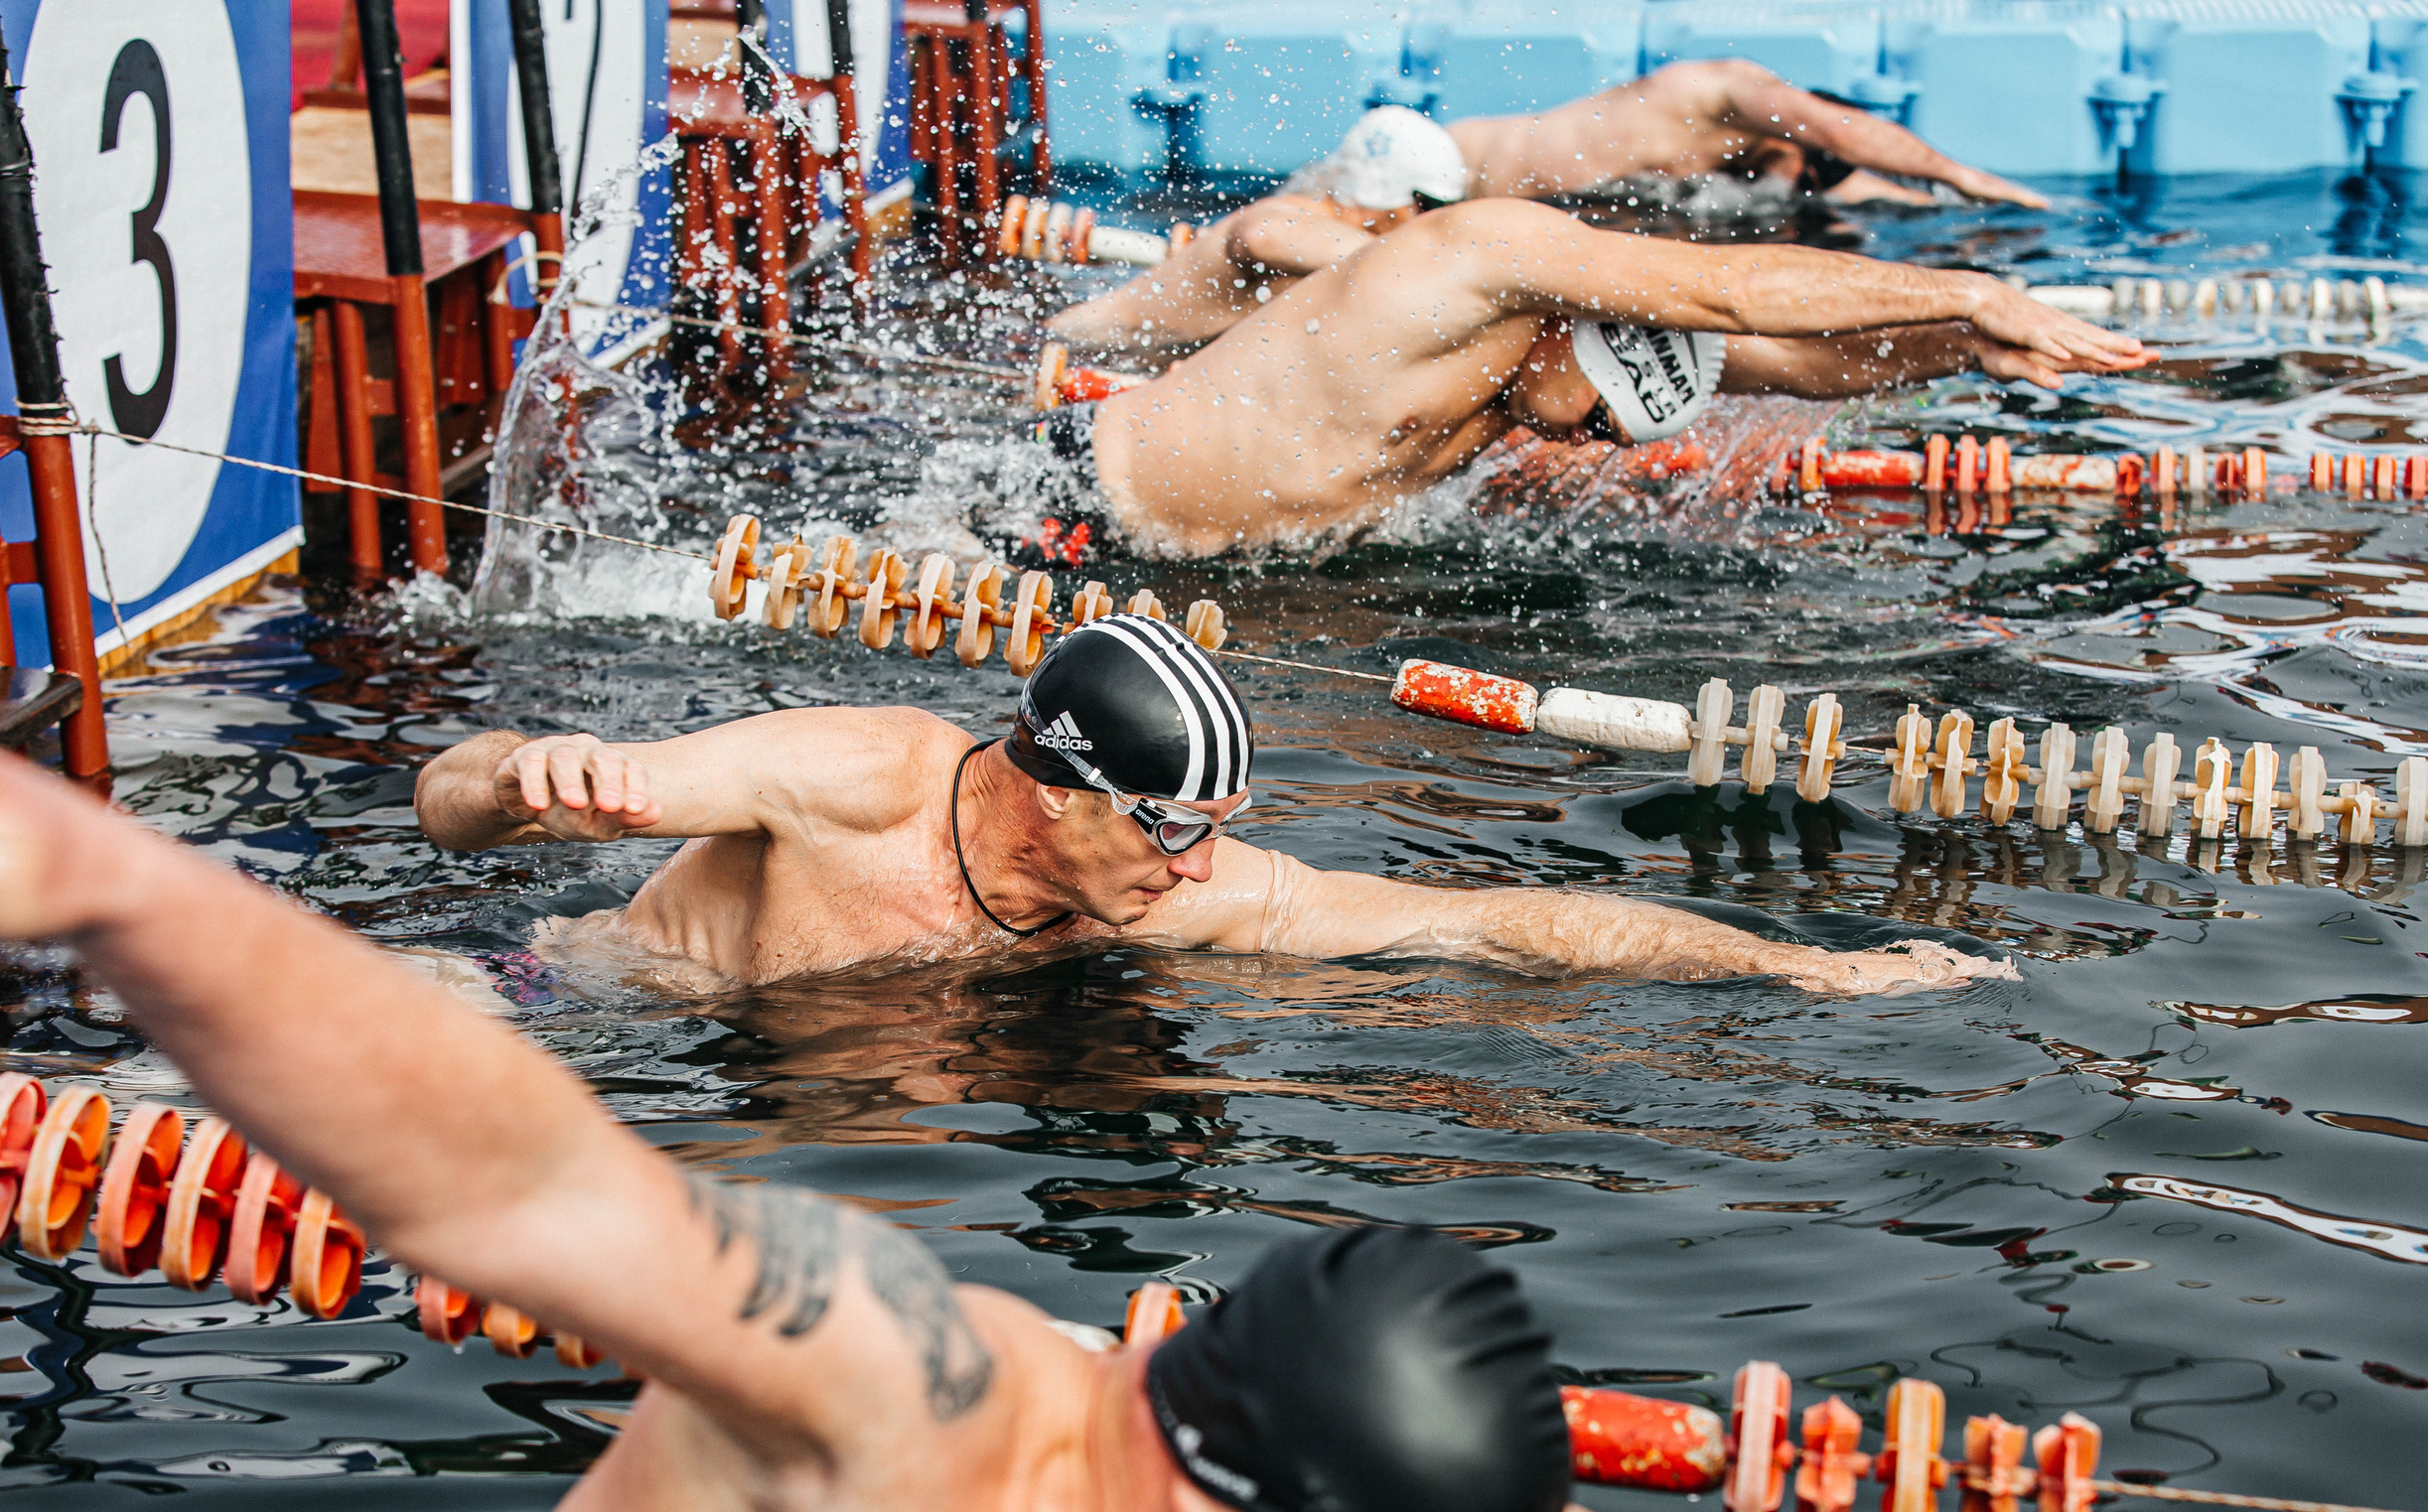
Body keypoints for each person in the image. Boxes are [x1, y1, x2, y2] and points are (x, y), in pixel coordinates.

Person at [0, 704, 2393, 1512]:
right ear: (1227, 1497)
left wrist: (1806, 973)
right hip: (602, 997)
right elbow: (513, 1177)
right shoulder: (900, 1384)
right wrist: (120, 881)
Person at [413, 616, 2007, 996]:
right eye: (1172, 822)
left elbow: (1494, 920)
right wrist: (517, 775)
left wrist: (1796, 963)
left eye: (1216, 825)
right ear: (1053, 786)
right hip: (567, 1005)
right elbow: (443, 802)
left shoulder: (1178, 884)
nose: (1206, 862)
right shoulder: (860, 774)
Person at [1026, 198, 2150, 559]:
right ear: (1585, 338)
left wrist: (1967, 348)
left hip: (1194, 568)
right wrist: (1968, 289)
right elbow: (1729, 293)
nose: (1591, 449)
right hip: (1061, 510)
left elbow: (1797, 362)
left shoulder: (1555, 352)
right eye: (1605, 428)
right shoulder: (1471, 265)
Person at [1048, 106, 1469, 355]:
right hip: (1064, 348)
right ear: (1385, 191)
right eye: (1429, 206)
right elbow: (1261, 234)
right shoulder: (1294, 221)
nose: (1432, 224)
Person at [1448, 60, 2052, 210]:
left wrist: (1955, 207)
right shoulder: (1724, 93)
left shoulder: (1746, 165)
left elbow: (1852, 183)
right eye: (1812, 173)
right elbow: (1838, 130)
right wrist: (1957, 173)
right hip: (1448, 167)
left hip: (1485, 208)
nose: (1804, 189)